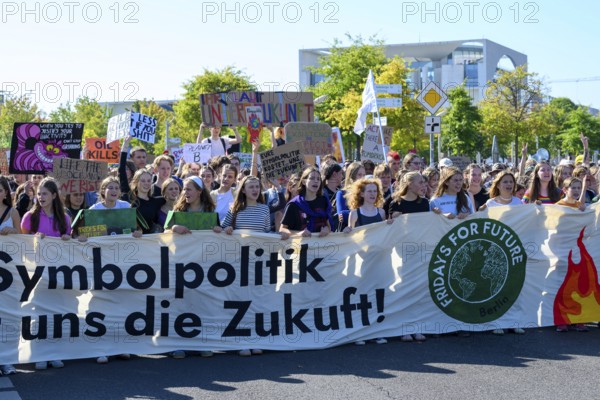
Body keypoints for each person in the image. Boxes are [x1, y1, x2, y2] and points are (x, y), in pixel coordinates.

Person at [21, 178, 71, 370]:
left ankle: (54, 353)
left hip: (58, 272)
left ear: (54, 196)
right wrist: (32, 239)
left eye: (45, 193)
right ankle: (39, 353)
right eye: (39, 193)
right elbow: (20, 244)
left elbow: (69, 242)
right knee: (39, 314)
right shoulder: (29, 217)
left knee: (57, 313)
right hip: (36, 273)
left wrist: (67, 238)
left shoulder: (64, 218)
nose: (41, 197)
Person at [342, 177, 392, 345]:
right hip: (362, 261)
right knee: (362, 295)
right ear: (361, 194)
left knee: (377, 295)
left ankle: (376, 330)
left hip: (379, 260)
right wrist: (347, 230)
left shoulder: (381, 212)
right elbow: (351, 238)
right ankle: (361, 332)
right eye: (369, 191)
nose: (372, 194)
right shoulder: (355, 213)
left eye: (374, 191)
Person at [483, 170, 526, 335]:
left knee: (513, 286)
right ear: (498, 185)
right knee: (496, 286)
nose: (508, 185)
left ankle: (514, 321)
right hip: (495, 251)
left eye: (511, 182)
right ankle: (496, 322)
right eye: (505, 182)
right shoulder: (490, 204)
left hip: (514, 249)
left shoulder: (519, 203)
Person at [555, 177, 588, 333]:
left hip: (578, 251)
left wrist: (584, 212)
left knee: (578, 285)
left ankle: (579, 319)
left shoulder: (582, 207)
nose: (575, 190)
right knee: (563, 285)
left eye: (578, 187)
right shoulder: (557, 207)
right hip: (562, 251)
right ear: (565, 190)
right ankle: (562, 320)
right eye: (573, 187)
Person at [0, 177, 19, 375]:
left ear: (6, 192)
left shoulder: (13, 212)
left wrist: (13, 231)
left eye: (0, 190)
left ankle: (7, 359)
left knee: (8, 317)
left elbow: (23, 240)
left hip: (9, 273)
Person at [280, 167, 333, 237]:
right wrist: (298, 234)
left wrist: (327, 229)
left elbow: (328, 226)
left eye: (318, 179)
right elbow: (282, 229)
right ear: (304, 182)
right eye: (312, 178)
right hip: (301, 245)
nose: (316, 181)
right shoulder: (294, 204)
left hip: (322, 246)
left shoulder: (324, 201)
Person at [335, 162, 365, 231]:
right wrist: (364, 213)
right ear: (352, 176)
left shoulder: (367, 192)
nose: (362, 178)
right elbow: (342, 216)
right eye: (359, 175)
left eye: (364, 175)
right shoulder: (341, 193)